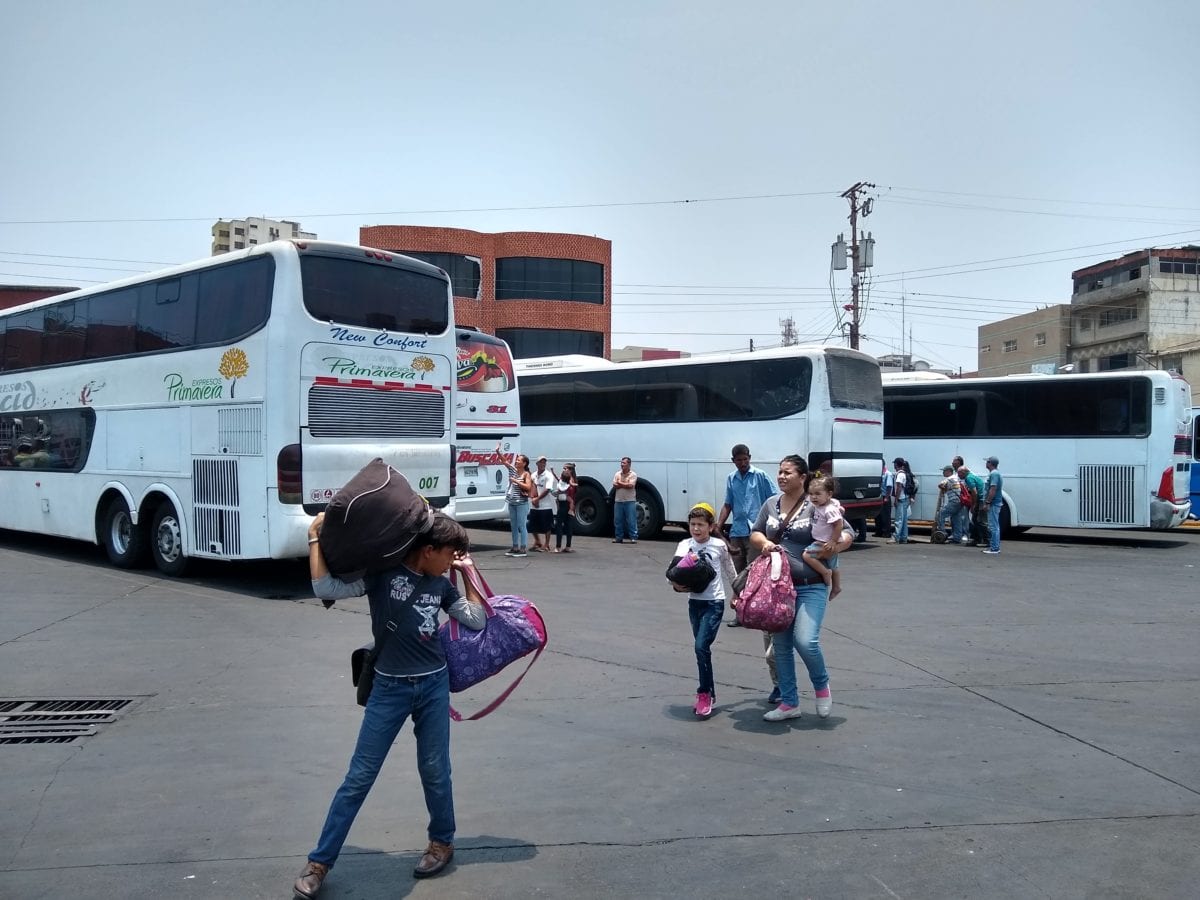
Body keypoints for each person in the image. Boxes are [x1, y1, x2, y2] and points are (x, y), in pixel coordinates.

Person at [292, 511, 487, 898]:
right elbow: (325, 588)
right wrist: (315, 538)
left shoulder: (441, 584)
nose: (452, 560)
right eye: (450, 554)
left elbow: (476, 620)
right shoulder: (383, 575)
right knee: (359, 778)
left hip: (433, 685)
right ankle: (320, 862)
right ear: (428, 549)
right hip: (389, 689)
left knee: (435, 769)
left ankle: (442, 842)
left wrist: (467, 573)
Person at [751, 455, 853, 721]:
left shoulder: (817, 502)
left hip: (811, 586)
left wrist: (834, 545)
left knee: (805, 641)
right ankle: (789, 703)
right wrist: (763, 542)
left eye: (787, 472)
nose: (781, 476)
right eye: (780, 472)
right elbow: (756, 531)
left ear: (802, 476)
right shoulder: (771, 504)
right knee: (781, 645)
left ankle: (821, 686)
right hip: (779, 589)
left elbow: (847, 532)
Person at [669, 502, 736, 719]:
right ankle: (710, 692)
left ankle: (703, 693)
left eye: (700, 524)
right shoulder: (684, 545)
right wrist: (676, 585)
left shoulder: (719, 545)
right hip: (694, 603)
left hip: (714, 603)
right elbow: (672, 572)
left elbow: (730, 571)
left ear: (711, 526)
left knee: (700, 647)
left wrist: (738, 594)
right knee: (702, 650)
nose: (696, 529)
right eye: (692, 524)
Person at [715, 443, 775, 626]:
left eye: (745, 459)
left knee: (752, 573)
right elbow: (728, 504)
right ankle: (741, 614)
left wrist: (772, 529)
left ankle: (753, 612)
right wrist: (718, 525)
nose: (742, 463)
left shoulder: (760, 476)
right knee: (737, 574)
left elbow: (773, 501)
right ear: (733, 461)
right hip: (737, 532)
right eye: (738, 460)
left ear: (750, 457)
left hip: (756, 532)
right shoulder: (731, 478)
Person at [800, 474, 844, 600]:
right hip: (824, 541)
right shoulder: (823, 505)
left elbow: (838, 524)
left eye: (818, 494)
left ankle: (825, 572)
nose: (813, 497)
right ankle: (836, 587)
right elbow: (837, 504)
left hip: (824, 542)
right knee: (834, 565)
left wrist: (833, 541)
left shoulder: (828, 509)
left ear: (829, 494)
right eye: (811, 493)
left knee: (806, 555)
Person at [497, 441, 532, 557]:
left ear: (524, 463)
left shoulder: (526, 474)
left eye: (519, 460)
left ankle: (523, 548)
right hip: (512, 502)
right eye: (517, 460)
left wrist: (516, 481)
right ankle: (515, 546)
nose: (516, 461)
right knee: (513, 525)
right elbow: (504, 461)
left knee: (522, 525)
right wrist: (498, 451)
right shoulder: (512, 470)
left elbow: (528, 486)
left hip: (521, 503)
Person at [529, 455, 555, 552]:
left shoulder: (548, 475)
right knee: (532, 525)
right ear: (537, 464)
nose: (543, 464)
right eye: (541, 462)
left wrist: (538, 499)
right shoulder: (533, 475)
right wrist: (533, 499)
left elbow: (548, 489)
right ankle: (537, 541)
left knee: (547, 526)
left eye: (544, 462)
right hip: (535, 505)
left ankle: (547, 544)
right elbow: (531, 487)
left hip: (545, 506)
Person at [612, 456, 638, 544]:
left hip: (629, 500)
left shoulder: (633, 474)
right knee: (618, 520)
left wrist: (620, 483)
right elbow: (615, 485)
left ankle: (633, 537)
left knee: (631, 520)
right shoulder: (617, 474)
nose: (622, 465)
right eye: (621, 463)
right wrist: (624, 484)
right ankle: (618, 537)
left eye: (624, 463)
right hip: (618, 500)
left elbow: (631, 486)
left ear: (629, 464)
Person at [553, 463, 577, 553]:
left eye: (565, 468)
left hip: (564, 504)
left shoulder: (567, 482)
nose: (563, 470)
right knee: (568, 526)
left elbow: (563, 492)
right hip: (570, 504)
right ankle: (568, 546)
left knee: (559, 525)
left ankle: (558, 547)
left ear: (570, 470)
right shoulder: (572, 480)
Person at [935, 464, 963, 542]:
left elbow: (941, 484)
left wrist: (943, 488)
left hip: (954, 501)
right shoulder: (956, 478)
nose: (943, 473)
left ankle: (942, 533)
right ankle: (957, 537)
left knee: (941, 514)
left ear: (948, 471)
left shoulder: (950, 478)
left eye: (944, 471)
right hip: (959, 501)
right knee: (956, 518)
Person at [982, 455, 1004, 555]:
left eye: (987, 462)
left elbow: (993, 489)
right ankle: (993, 546)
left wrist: (987, 502)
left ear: (991, 463)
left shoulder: (994, 474)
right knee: (994, 526)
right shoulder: (994, 473)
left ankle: (994, 548)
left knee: (993, 526)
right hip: (994, 503)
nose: (986, 463)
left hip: (994, 503)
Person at [889, 457, 914, 544]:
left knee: (898, 520)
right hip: (906, 498)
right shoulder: (905, 473)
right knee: (904, 521)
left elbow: (899, 487)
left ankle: (895, 537)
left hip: (901, 499)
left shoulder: (899, 475)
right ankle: (904, 538)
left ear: (896, 465)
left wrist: (896, 499)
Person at [873, 460, 894, 538]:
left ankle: (886, 532)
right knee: (878, 515)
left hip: (885, 496)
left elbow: (889, 486)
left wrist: (887, 497)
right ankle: (879, 531)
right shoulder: (879, 474)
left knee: (885, 516)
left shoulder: (888, 474)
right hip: (879, 496)